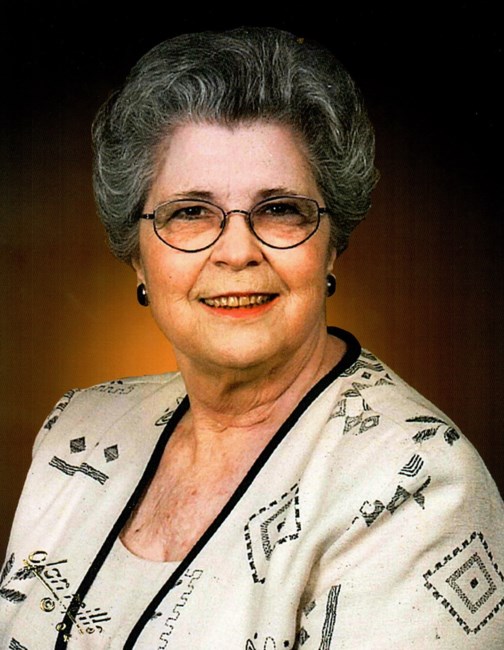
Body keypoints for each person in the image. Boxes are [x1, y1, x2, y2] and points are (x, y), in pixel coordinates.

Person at [1, 26, 503, 649]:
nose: (237, 251)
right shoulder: (74, 434)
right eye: (190, 212)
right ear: (138, 257)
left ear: (331, 246)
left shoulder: (418, 486)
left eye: (280, 209)